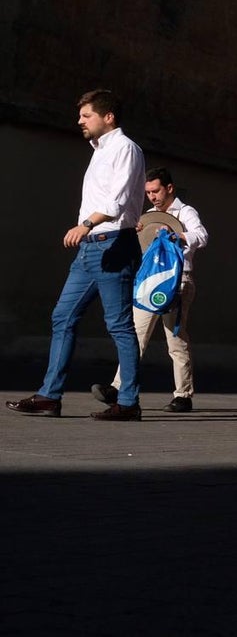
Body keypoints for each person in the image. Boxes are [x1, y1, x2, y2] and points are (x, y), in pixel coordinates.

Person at [6, 89, 146, 421]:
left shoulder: (125, 149)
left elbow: (117, 202)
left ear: (108, 116)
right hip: (89, 250)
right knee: (62, 317)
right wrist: (87, 233)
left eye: (86, 115)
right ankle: (49, 397)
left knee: (119, 326)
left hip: (113, 244)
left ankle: (128, 403)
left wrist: (85, 225)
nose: (79, 121)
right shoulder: (98, 152)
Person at [91, 167, 209, 413]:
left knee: (175, 340)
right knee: (136, 335)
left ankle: (183, 396)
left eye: (155, 191)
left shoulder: (186, 211)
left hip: (178, 281)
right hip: (149, 281)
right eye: (148, 193)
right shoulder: (149, 216)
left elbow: (202, 235)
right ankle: (118, 387)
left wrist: (176, 235)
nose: (152, 197)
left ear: (169, 188)